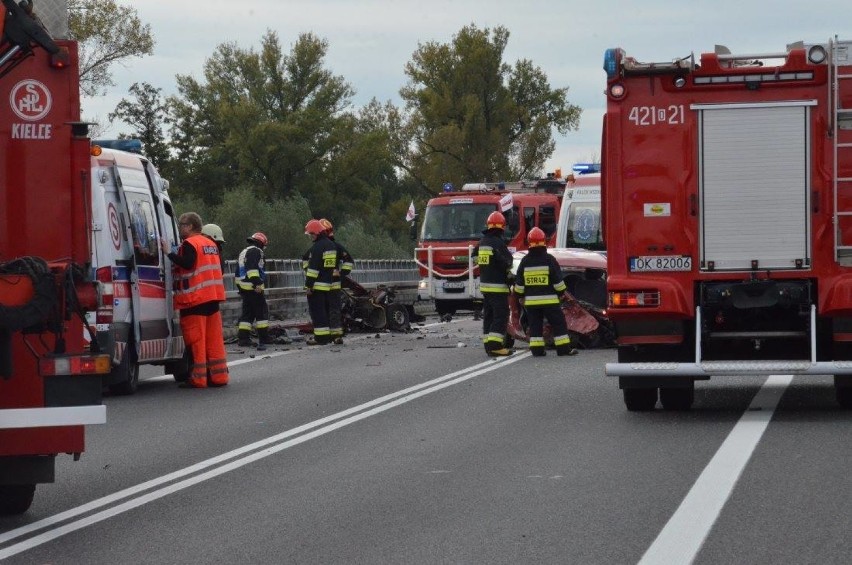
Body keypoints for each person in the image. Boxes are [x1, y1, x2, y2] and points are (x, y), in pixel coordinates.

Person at [160, 212, 229, 388]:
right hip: (212, 299)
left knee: (196, 342)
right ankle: (219, 377)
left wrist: (169, 253)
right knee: (214, 342)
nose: (180, 227)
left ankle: (198, 379)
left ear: (190, 226)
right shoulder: (210, 244)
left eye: (182, 224)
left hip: (194, 300)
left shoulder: (190, 244)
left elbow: (188, 263)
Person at [514, 227, 578, 357]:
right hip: (550, 301)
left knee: (535, 326)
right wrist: (561, 294)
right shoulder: (549, 259)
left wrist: (520, 297)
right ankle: (563, 350)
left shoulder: (525, 261)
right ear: (544, 242)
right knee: (558, 324)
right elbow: (558, 281)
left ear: (529, 242)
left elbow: (519, 285)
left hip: (531, 303)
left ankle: (537, 351)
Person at [473, 211, 514, 357]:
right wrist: (510, 276)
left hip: (485, 286)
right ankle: (496, 345)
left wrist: (487, 267)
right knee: (501, 315)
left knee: (489, 316)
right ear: (501, 228)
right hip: (498, 287)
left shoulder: (482, 242)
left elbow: (474, 259)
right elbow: (508, 262)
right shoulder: (498, 243)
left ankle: (488, 345)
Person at [319, 218, 354, 345]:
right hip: (330, 284)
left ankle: (331, 335)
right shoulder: (333, 246)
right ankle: (334, 335)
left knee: (328, 309)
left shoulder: (331, 246)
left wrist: (341, 273)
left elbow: (348, 261)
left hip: (326, 285)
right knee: (332, 309)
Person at [303, 219, 337, 345]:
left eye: (311, 234)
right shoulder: (331, 245)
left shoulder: (317, 247)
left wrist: (308, 285)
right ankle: (327, 337)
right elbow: (328, 266)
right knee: (325, 311)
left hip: (317, 285)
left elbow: (313, 269)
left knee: (318, 312)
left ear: (316, 233)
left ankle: (321, 338)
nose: (310, 237)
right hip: (327, 284)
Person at [236, 232, 271, 350]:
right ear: (261, 243)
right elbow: (252, 270)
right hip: (253, 287)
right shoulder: (256, 251)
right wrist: (258, 283)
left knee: (247, 314)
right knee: (261, 313)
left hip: (244, 287)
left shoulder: (245, 251)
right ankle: (264, 339)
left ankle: (243, 338)